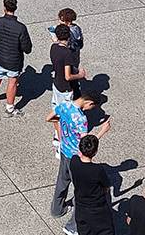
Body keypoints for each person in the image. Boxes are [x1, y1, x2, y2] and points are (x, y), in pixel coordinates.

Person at [47, 91, 111, 231]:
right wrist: (102, 131)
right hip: (75, 157)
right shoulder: (80, 119)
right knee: (81, 191)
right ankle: (73, 226)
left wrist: (60, 130)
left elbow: (50, 118)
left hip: (64, 151)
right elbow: (86, 143)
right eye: (91, 107)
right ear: (89, 103)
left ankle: (57, 209)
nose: (90, 110)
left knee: (62, 181)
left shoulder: (64, 105)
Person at [0, 0, 32, 117]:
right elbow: (27, 48)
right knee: (12, 82)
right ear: (15, 8)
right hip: (14, 61)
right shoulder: (20, 27)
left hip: (0, 58)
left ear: (4, 8)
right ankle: (10, 108)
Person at [70, 134, 115, 235]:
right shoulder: (97, 170)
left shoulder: (74, 161)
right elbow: (106, 186)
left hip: (80, 207)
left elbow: (78, 153)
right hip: (97, 208)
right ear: (95, 152)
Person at [51, 24, 87, 106]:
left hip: (56, 83)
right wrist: (80, 75)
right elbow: (68, 76)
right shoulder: (67, 53)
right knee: (68, 111)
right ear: (69, 36)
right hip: (65, 88)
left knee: (58, 108)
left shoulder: (53, 47)